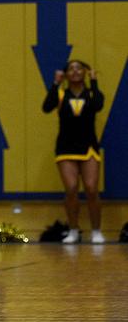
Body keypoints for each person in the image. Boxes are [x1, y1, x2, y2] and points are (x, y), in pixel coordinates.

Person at [42, 60, 105, 244]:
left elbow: (98, 105)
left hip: (88, 147)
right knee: (71, 189)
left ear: (85, 73)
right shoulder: (61, 94)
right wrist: (55, 83)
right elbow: (46, 107)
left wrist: (94, 82)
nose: (76, 71)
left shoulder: (91, 93)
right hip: (66, 147)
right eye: (71, 68)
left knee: (92, 189)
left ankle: (96, 231)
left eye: (80, 68)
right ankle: (73, 230)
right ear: (66, 74)